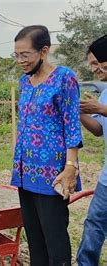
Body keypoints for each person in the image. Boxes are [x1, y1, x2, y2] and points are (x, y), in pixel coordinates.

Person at [10, 25, 83, 265]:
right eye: (17, 55)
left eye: (25, 55)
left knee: (55, 239)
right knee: (35, 239)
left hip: (53, 173)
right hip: (25, 172)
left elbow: (71, 124)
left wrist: (70, 167)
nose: (20, 60)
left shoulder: (64, 78)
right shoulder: (24, 82)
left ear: (44, 51)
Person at [78, 34, 107, 266]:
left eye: (99, 63)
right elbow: (98, 130)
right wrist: (81, 112)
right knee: (94, 222)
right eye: (93, 64)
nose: (96, 69)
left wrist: (102, 108)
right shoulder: (105, 92)